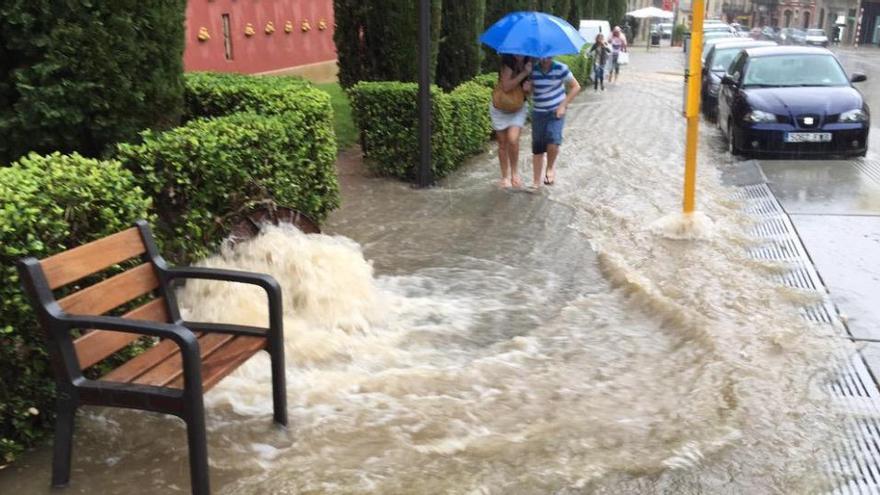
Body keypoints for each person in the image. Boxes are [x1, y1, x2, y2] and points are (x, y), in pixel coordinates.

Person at [530, 56, 581, 188]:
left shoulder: (561, 68)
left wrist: (563, 105)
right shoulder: (532, 70)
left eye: (548, 56)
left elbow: (576, 87)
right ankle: (536, 182)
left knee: (553, 141)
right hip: (538, 112)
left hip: (556, 111)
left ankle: (550, 168)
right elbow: (529, 92)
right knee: (538, 147)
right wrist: (527, 87)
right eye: (543, 56)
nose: (545, 59)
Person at [490, 54, 533, 188]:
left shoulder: (530, 61)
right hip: (501, 106)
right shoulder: (508, 60)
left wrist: (529, 88)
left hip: (518, 108)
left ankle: (514, 173)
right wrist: (524, 72)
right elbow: (506, 86)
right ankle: (505, 177)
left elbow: (531, 90)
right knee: (502, 143)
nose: (518, 54)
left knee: (513, 140)